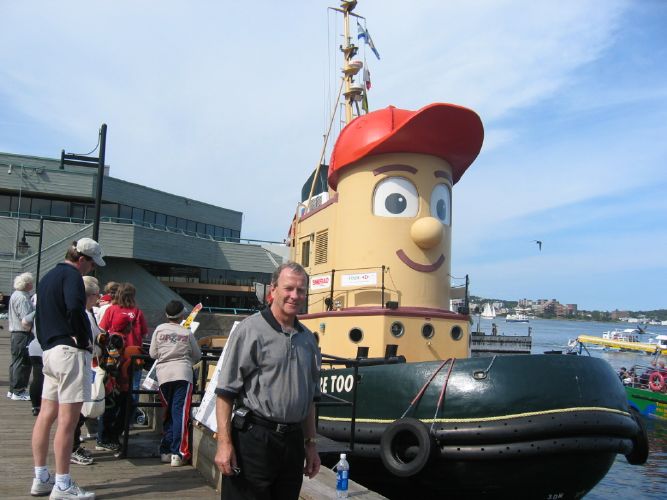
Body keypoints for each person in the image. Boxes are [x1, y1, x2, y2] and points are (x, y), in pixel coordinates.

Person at [214, 262, 321, 500]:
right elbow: (225, 393)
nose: (295, 295)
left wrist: (311, 444)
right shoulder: (250, 330)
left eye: (301, 290)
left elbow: (311, 399)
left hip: (292, 443)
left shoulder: (308, 340)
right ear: (273, 289)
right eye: (289, 288)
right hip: (255, 439)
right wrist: (224, 443)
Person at [30, 238, 105, 499]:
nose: (92, 269)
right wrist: (83, 339)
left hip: (50, 351)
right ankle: (62, 484)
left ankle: (41, 477)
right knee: (67, 421)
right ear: (82, 259)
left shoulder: (48, 277)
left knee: (46, 415)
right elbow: (75, 307)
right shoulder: (73, 276)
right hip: (69, 352)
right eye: (92, 264)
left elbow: (40, 316)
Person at [149, 300, 202, 467]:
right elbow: (197, 355)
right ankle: (177, 453)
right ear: (181, 315)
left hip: (164, 375)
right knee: (180, 412)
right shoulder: (186, 332)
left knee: (169, 412)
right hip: (183, 374)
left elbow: (152, 353)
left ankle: (165, 450)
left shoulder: (159, 329)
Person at [8, 272, 35, 401]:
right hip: (23, 333)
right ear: (27, 284)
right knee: (23, 362)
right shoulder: (23, 298)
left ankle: (13, 389)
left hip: (16, 333)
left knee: (16, 361)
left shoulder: (15, 295)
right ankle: (19, 391)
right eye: (31, 282)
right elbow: (26, 318)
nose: (32, 284)